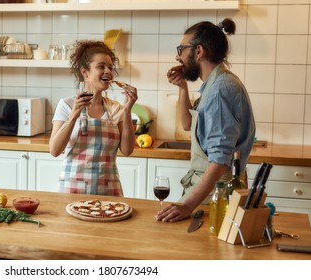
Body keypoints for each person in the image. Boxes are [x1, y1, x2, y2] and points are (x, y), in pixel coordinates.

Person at [156, 18, 255, 222]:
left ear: (198, 51)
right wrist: (183, 87)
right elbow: (187, 125)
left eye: (181, 49)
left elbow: (220, 160)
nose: (177, 56)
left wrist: (186, 205)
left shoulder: (220, 90)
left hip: (214, 195)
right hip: (210, 192)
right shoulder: (215, 84)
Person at [49, 40, 138, 196]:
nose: (108, 71)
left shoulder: (116, 108)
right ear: (85, 72)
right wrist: (74, 114)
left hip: (109, 191)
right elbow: (55, 150)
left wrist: (128, 110)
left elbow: (127, 150)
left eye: (110, 67)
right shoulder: (67, 105)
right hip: (72, 191)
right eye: (101, 66)